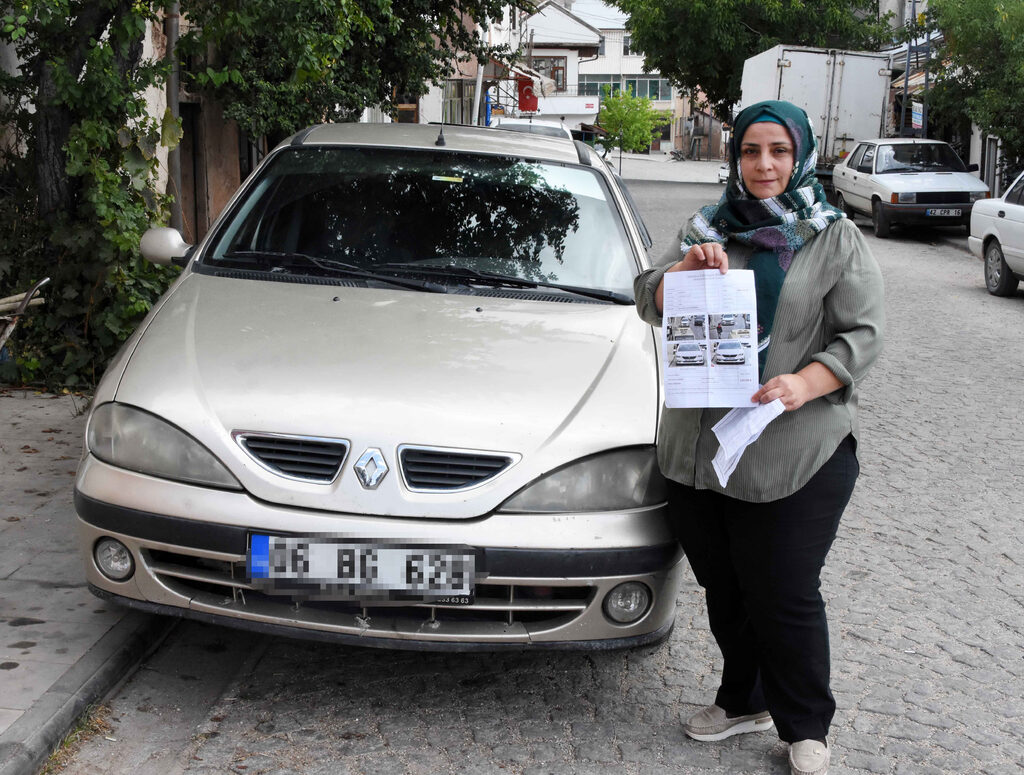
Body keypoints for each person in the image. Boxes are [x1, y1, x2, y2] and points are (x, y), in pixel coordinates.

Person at [633, 100, 884, 775]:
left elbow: (863, 334)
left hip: (794, 446)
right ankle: (742, 697)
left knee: (782, 586)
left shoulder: (832, 235)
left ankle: (805, 722)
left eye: (778, 150)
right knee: (725, 584)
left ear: (799, 154)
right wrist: (680, 276)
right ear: (735, 157)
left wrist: (805, 382)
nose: (764, 164)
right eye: (750, 151)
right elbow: (646, 294)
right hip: (701, 448)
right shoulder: (705, 227)